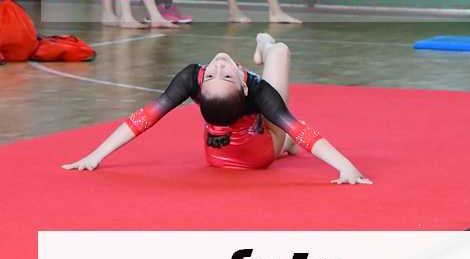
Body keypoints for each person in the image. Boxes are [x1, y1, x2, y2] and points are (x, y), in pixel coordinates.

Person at [62, 33, 372, 184]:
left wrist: (96, 155)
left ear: (198, 92)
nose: (219, 65)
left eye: (213, 74)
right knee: (280, 51)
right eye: (223, 75)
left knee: (284, 135)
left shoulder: (192, 78)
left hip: (217, 153)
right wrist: (346, 167)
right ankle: (265, 44)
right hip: (258, 155)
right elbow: (303, 131)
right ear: (245, 85)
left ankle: (284, 145)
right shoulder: (260, 92)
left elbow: (144, 117)